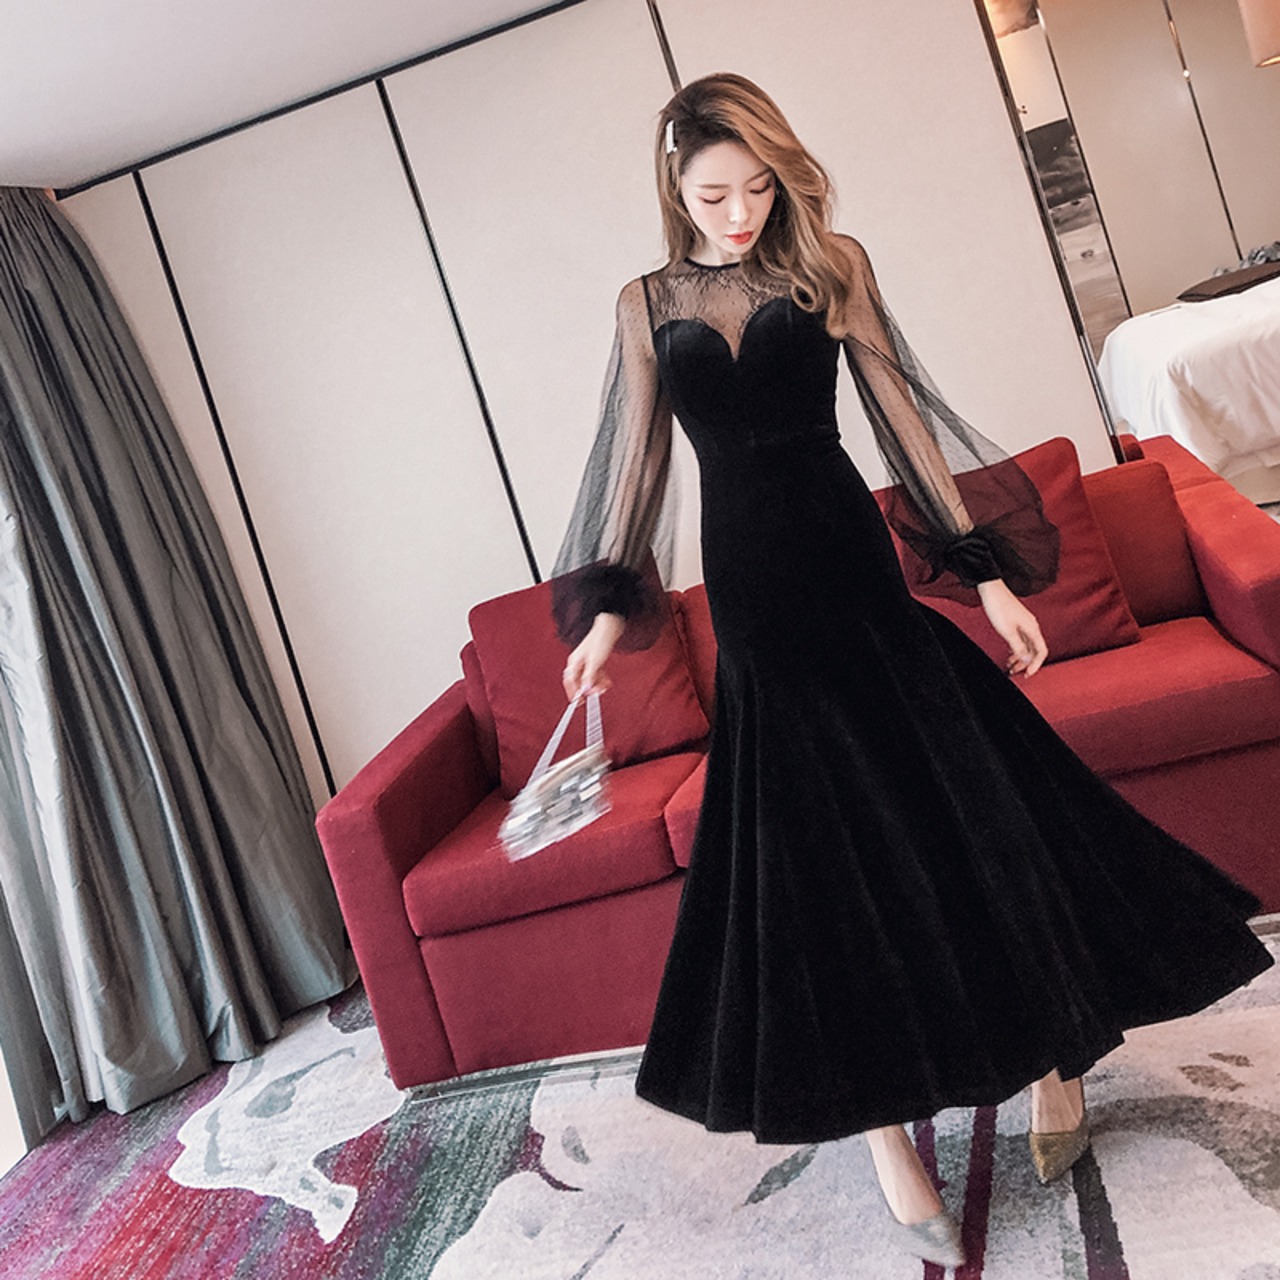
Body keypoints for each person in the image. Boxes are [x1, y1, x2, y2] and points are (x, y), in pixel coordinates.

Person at [550, 72, 1273, 1268]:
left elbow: (902, 425)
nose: (739, 213)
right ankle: (888, 1145)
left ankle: (1051, 1061)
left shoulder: (828, 266)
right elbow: (633, 468)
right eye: (713, 196)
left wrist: (984, 577)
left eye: (756, 188)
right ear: (674, 190)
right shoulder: (646, 302)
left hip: (854, 577)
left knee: (966, 826)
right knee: (815, 883)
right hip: (757, 611)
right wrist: (604, 616)